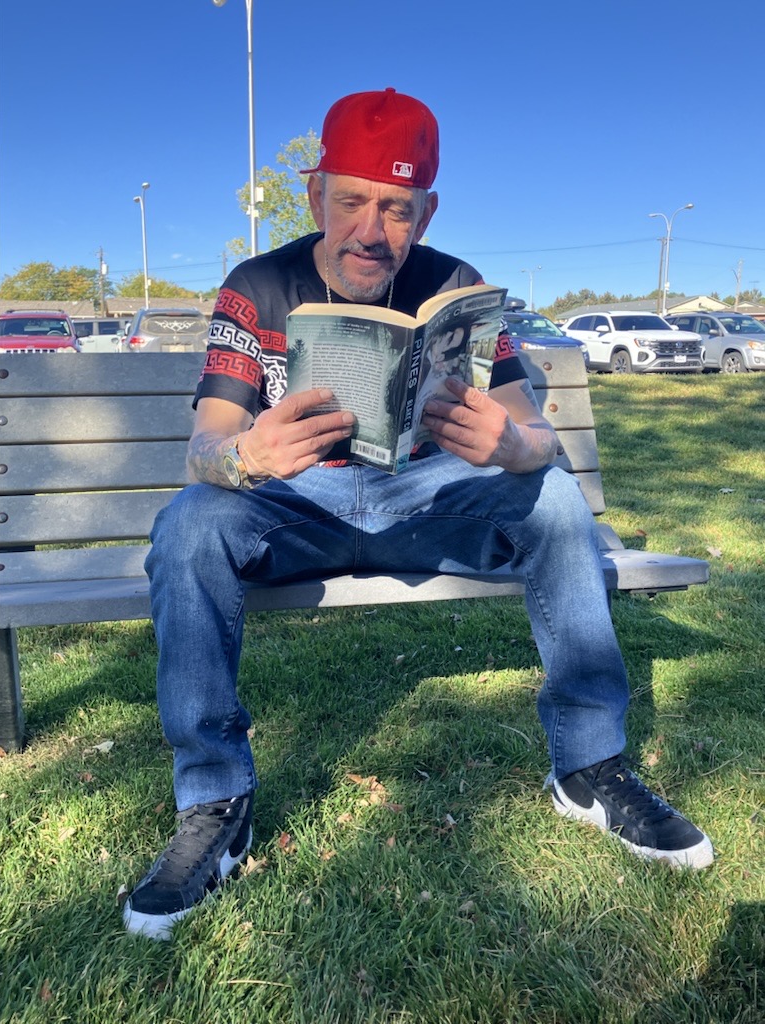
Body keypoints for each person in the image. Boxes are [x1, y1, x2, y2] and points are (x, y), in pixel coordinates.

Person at [123, 88, 714, 940]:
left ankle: (589, 767)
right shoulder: (255, 287)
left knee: (551, 498)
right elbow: (204, 447)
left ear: (426, 210)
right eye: (353, 200)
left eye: (397, 209)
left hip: (426, 496)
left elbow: (537, 436)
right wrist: (247, 457)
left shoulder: (459, 287)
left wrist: (512, 444)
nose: (372, 230)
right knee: (188, 523)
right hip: (301, 504)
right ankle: (213, 803)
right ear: (314, 193)